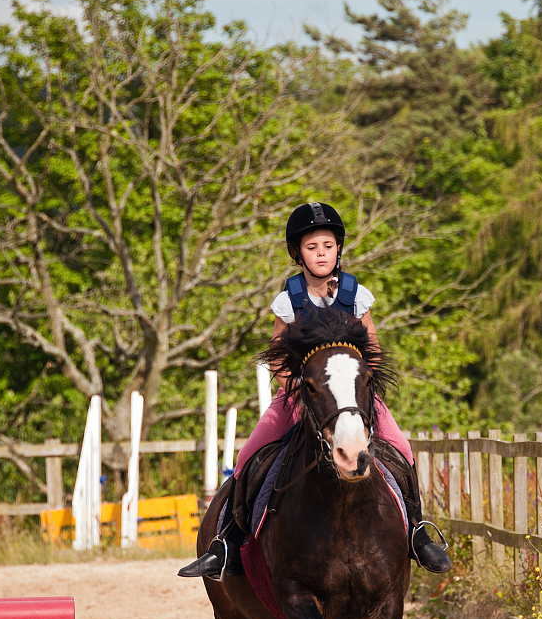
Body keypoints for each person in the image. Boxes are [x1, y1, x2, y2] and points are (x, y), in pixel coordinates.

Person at [179, 201, 452, 580]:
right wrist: (295, 389)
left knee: (402, 450)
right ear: (298, 253)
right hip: (298, 396)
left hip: (354, 399)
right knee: (248, 456)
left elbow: (371, 348)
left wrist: (360, 390)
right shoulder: (288, 299)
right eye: (312, 247)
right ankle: (229, 543)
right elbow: (277, 356)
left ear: (338, 248)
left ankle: (418, 535)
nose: (321, 253)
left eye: (327, 245)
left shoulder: (357, 294)